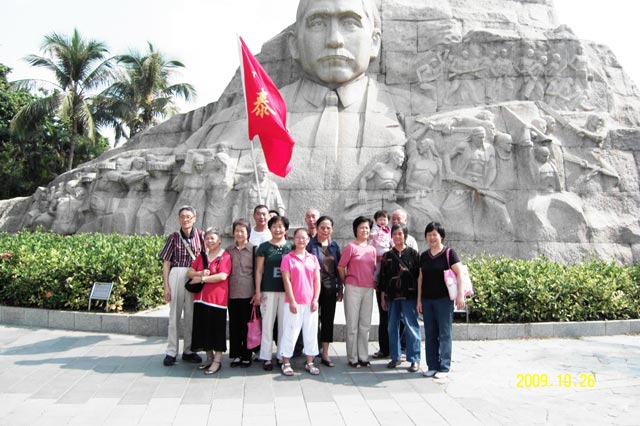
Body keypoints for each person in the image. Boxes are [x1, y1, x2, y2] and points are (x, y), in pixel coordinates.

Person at [417, 222, 465, 379]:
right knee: (430, 334)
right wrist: (419, 300)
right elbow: (420, 278)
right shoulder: (424, 256)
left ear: (441, 236)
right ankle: (432, 366)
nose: (431, 237)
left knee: (444, 333)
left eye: (434, 234)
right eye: (429, 235)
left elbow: (460, 273)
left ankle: (444, 367)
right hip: (427, 300)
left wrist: (460, 295)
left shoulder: (449, 253)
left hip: (444, 300)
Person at [159, 205, 204, 366]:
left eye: (188, 217)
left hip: (194, 275)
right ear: (179, 219)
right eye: (182, 217)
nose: (185, 220)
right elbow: (166, 263)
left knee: (191, 314)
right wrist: (166, 286)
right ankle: (171, 351)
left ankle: (189, 350)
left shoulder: (201, 236)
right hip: (177, 273)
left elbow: (205, 257)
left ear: (194, 219)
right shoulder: (173, 237)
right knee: (174, 315)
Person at [187, 228, 232, 375]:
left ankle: (217, 361)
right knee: (203, 329)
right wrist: (200, 273)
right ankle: (209, 357)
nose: (209, 241)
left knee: (216, 331)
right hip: (200, 299)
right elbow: (190, 272)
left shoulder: (224, 256)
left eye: (212, 238)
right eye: (207, 239)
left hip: (216, 300)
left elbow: (223, 276)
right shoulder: (202, 256)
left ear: (219, 240)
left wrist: (202, 279)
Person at [279, 228, 322, 376]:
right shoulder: (287, 258)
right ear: (293, 239)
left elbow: (317, 281)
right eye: (298, 237)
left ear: (308, 240)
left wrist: (315, 299)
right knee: (290, 331)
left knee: (310, 332)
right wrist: (292, 301)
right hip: (293, 302)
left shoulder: (313, 258)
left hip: (310, 302)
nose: (301, 240)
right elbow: (286, 281)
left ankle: (310, 362)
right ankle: (286, 362)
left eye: (304, 238)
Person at [379, 224, 421, 373]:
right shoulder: (387, 256)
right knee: (392, 326)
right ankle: (395, 356)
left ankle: (414, 359)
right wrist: (383, 297)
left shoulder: (414, 254)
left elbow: (419, 277)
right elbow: (383, 278)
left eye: (400, 234)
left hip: (410, 296)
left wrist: (419, 298)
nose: (397, 236)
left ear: (405, 236)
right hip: (392, 296)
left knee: (411, 326)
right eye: (395, 234)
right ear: (391, 236)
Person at [254, 215, 294, 371]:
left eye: (281, 226)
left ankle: (281, 355)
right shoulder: (264, 247)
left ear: (286, 229)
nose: (278, 229)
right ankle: (266, 357)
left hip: (286, 291)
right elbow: (259, 271)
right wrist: (258, 291)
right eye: (274, 226)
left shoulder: (291, 246)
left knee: (284, 325)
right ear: (269, 228)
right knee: (267, 324)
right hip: (268, 290)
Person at [338, 216, 377, 368]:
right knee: (352, 324)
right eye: (361, 227)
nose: (364, 230)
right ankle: (353, 357)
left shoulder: (372, 249)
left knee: (365, 324)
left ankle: (363, 356)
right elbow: (341, 266)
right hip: (353, 287)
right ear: (355, 230)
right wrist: (345, 281)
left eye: (367, 227)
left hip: (368, 289)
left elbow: (373, 268)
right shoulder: (351, 247)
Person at [306, 215, 342, 367]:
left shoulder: (335, 246)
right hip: (312, 289)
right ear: (317, 228)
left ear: (332, 229)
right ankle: (311, 351)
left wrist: (340, 288)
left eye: (328, 228)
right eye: (322, 227)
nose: (325, 230)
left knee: (328, 320)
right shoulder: (310, 245)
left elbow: (339, 268)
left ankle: (325, 353)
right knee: (312, 321)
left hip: (330, 288)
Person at [226, 219, 255, 368]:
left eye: (242, 231)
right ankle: (236, 355)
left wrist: (257, 292)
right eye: (236, 231)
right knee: (234, 325)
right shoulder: (228, 250)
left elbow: (258, 272)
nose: (239, 234)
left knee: (247, 326)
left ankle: (247, 355)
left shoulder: (254, 250)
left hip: (248, 293)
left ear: (248, 233)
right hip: (232, 293)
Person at [370, 209, 391, 360]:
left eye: (385, 219)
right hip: (382, 279)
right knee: (383, 316)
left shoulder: (390, 233)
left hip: (397, 287)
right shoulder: (375, 230)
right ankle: (384, 349)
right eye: (380, 219)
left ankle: (399, 349)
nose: (382, 222)